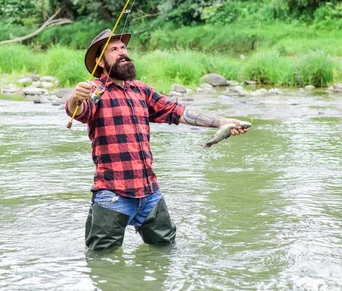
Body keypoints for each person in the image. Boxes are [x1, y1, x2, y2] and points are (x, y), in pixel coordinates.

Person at [66, 29, 249, 251]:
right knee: (103, 260)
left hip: (150, 193)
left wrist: (222, 122)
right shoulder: (95, 91)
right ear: (100, 62)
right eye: (113, 50)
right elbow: (78, 110)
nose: (122, 52)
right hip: (112, 195)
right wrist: (76, 96)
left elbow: (177, 112)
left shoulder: (140, 90)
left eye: (123, 48)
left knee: (166, 250)